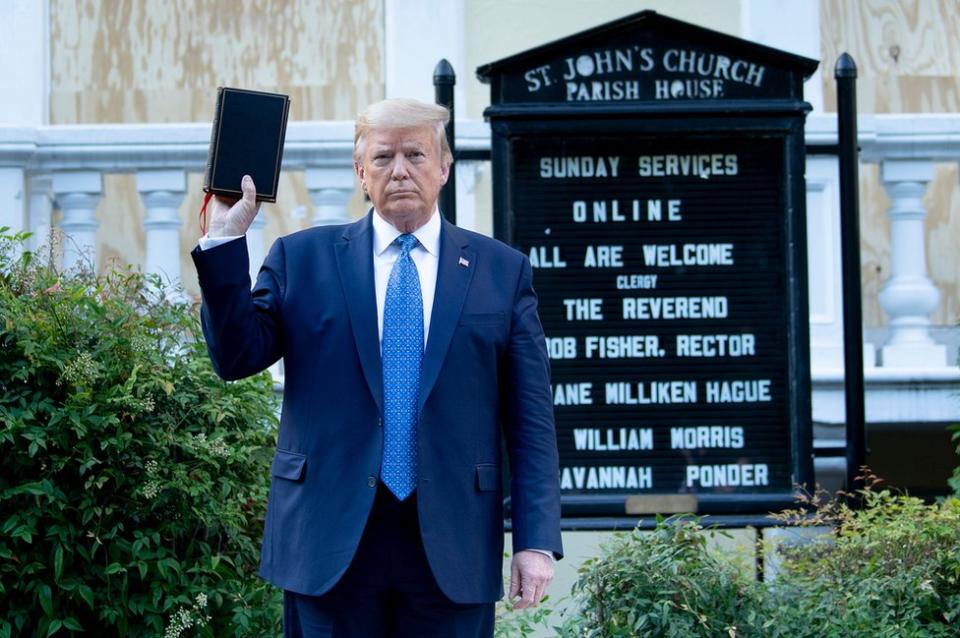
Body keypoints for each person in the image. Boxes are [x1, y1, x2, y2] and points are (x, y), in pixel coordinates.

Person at [191, 97, 562, 637]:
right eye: (384, 157)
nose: (401, 169)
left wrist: (534, 540)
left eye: (416, 154)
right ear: (361, 172)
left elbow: (531, 422)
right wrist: (226, 240)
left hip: (452, 541)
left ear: (445, 167)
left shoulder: (501, 272)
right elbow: (235, 357)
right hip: (329, 540)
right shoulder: (303, 259)